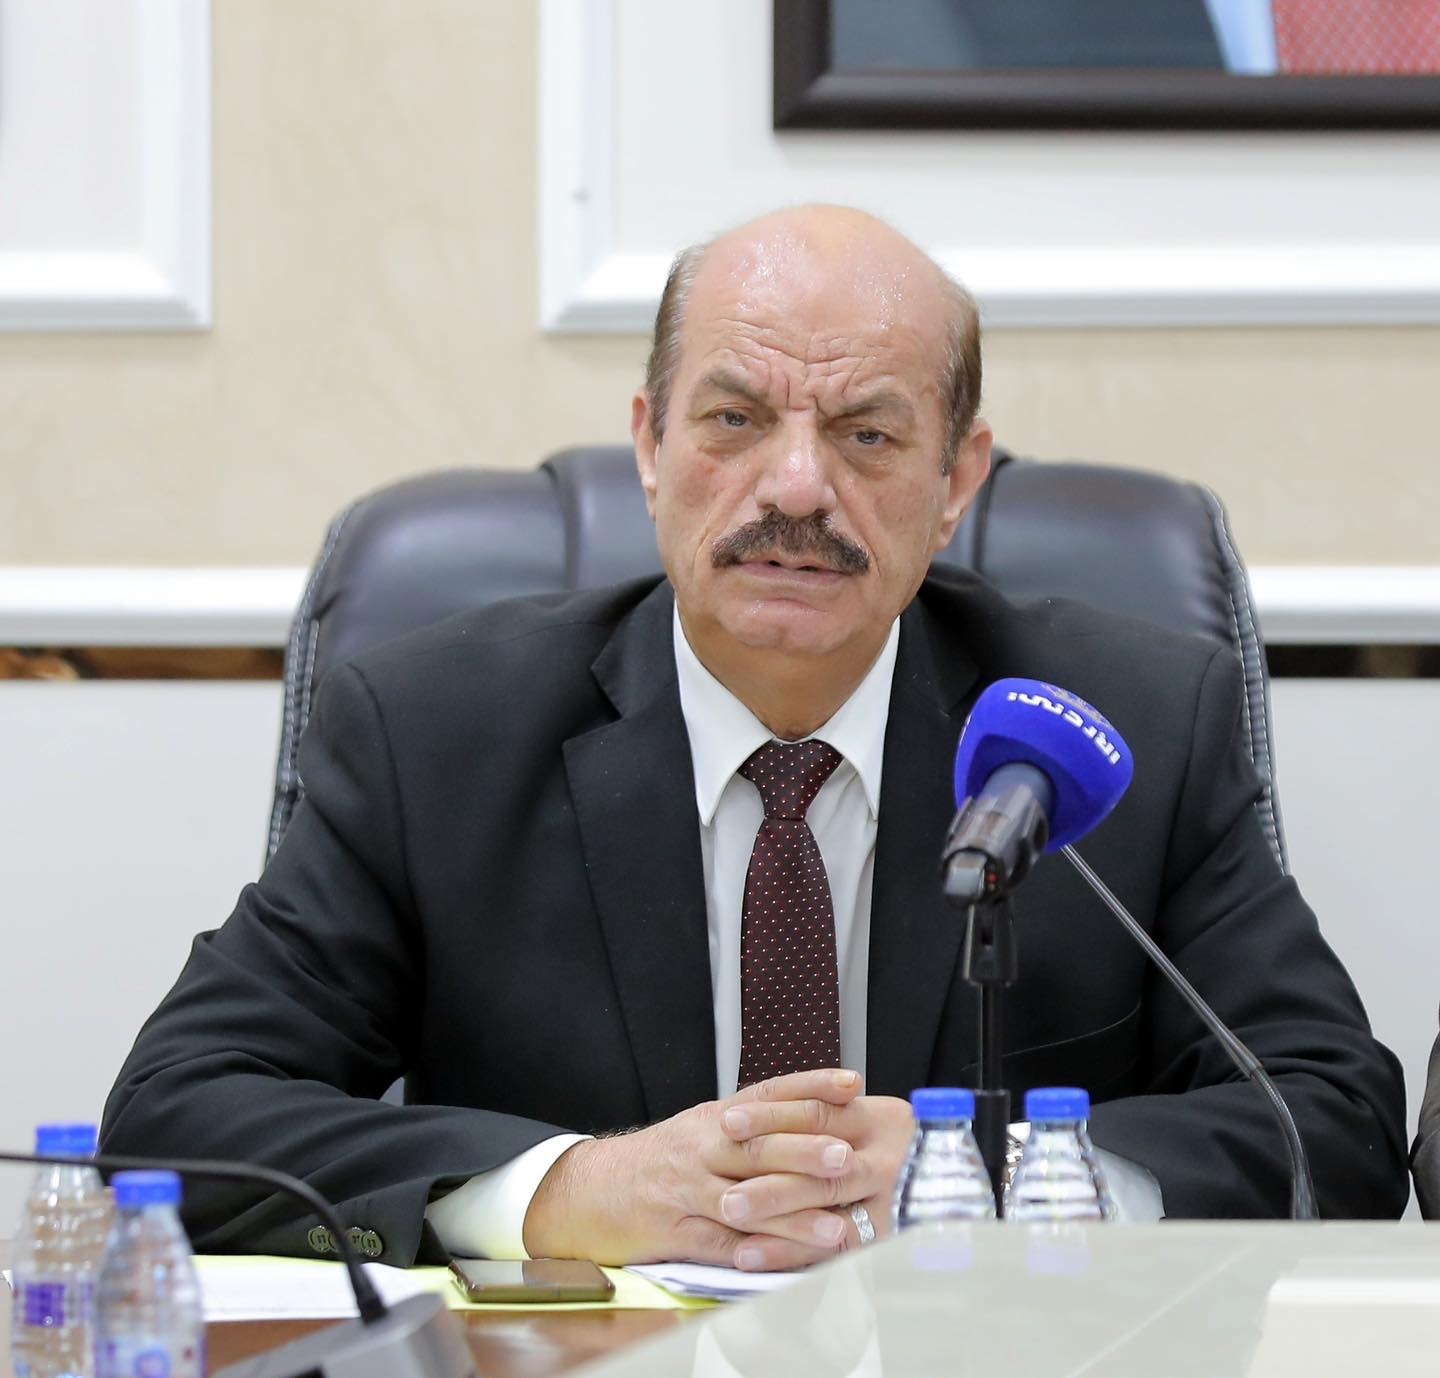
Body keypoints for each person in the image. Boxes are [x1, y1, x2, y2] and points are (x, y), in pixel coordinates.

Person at [101, 206, 1408, 1271]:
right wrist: (571, 1187)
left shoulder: (1121, 727)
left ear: (955, 481)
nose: (795, 487)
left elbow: (1334, 1121)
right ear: (650, 445)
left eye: (867, 434)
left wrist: (998, 1181)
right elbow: (177, 1111)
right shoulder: (433, 730)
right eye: (733, 420)